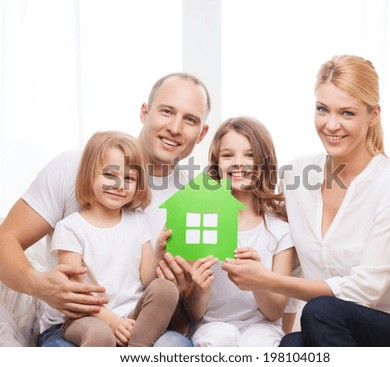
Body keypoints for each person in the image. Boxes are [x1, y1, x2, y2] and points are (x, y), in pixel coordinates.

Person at [222, 55, 390, 347]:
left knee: (320, 311)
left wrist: (266, 280)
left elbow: (364, 292)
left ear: (374, 115)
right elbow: (294, 264)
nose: (331, 125)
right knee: (290, 345)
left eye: (347, 113)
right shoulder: (296, 175)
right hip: (340, 331)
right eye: (322, 109)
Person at [0, 72, 210, 347]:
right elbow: (6, 239)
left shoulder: (195, 203)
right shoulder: (74, 167)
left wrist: (186, 291)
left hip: (140, 326)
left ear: (202, 133)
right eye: (166, 111)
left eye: (190, 119)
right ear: (144, 112)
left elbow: (180, 313)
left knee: (176, 346)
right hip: (74, 327)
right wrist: (39, 285)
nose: (175, 127)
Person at [48, 131, 179, 346]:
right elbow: (76, 294)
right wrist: (113, 322)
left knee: (166, 289)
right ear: (90, 175)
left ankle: (136, 348)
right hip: (88, 316)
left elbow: (146, 279)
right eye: (110, 175)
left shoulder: (137, 221)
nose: (119, 184)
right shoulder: (71, 228)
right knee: (101, 335)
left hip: (132, 315)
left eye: (129, 178)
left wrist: (158, 253)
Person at [181, 116, 295, 347]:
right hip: (211, 326)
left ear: (264, 162)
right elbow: (194, 312)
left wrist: (257, 280)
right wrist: (200, 289)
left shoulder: (280, 229)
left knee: (259, 343)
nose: (239, 163)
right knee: (219, 338)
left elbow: (274, 313)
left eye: (250, 155)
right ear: (216, 163)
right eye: (228, 155)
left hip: (262, 328)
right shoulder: (203, 221)